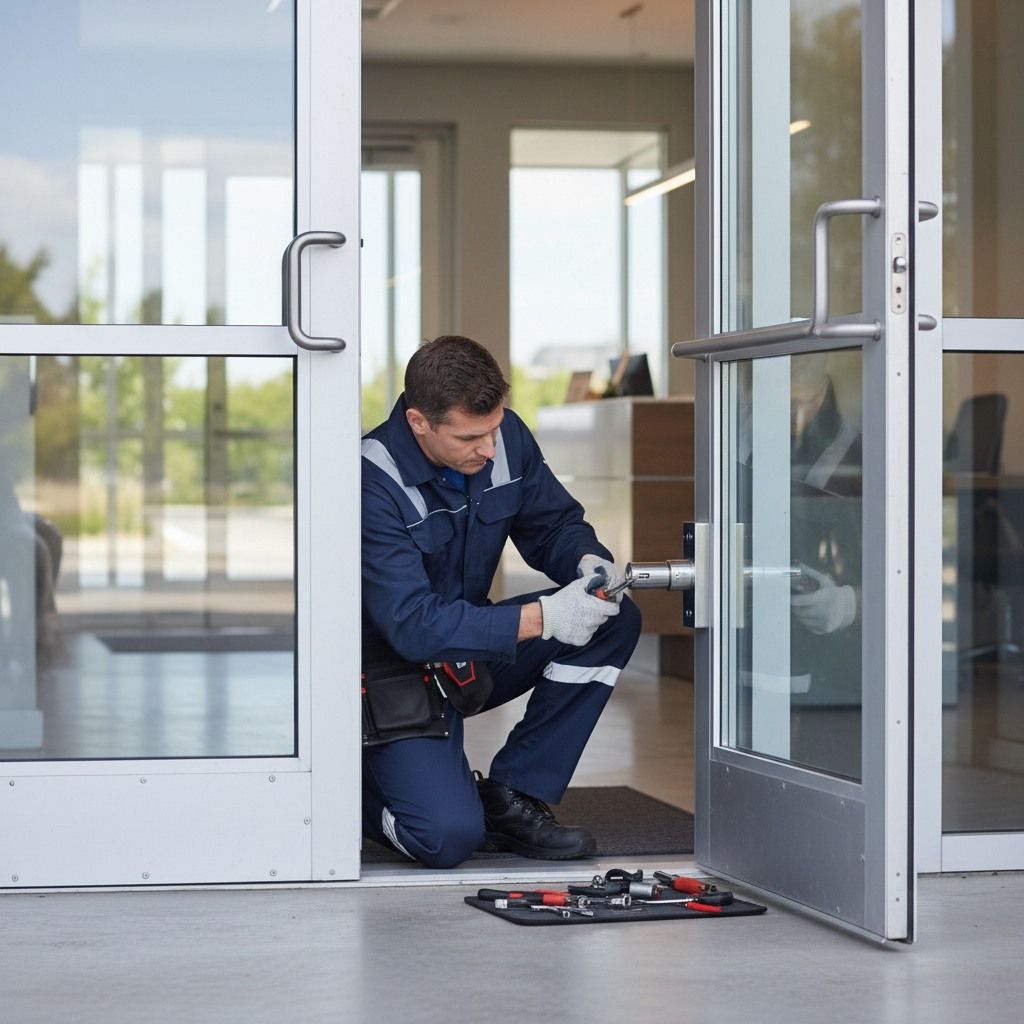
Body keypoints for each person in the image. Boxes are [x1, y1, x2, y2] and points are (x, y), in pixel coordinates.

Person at [361, 335, 642, 868]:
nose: (489, 449)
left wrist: (587, 562)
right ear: (419, 422)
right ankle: (352, 791)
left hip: (467, 651)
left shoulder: (503, 436)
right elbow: (412, 624)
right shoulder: (371, 480)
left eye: (493, 428)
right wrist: (543, 617)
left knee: (613, 618)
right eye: (470, 437)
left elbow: (554, 523)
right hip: (390, 677)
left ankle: (513, 796)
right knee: (444, 839)